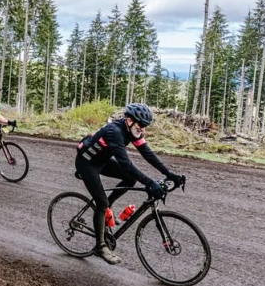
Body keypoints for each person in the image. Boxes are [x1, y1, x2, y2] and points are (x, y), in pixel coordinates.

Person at [75, 103, 184, 265]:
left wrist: (169, 174)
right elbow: (127, 164)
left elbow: (148, 154)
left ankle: (107, 209)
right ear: (129, 120)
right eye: (141, 125)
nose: (143, 129)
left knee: (129, 179)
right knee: (101, 201)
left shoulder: (132, 130)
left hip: (102, 160)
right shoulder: (115, 132)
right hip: (87, 163)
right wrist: (150, 183)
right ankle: (100, 246)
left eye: (145, 126)